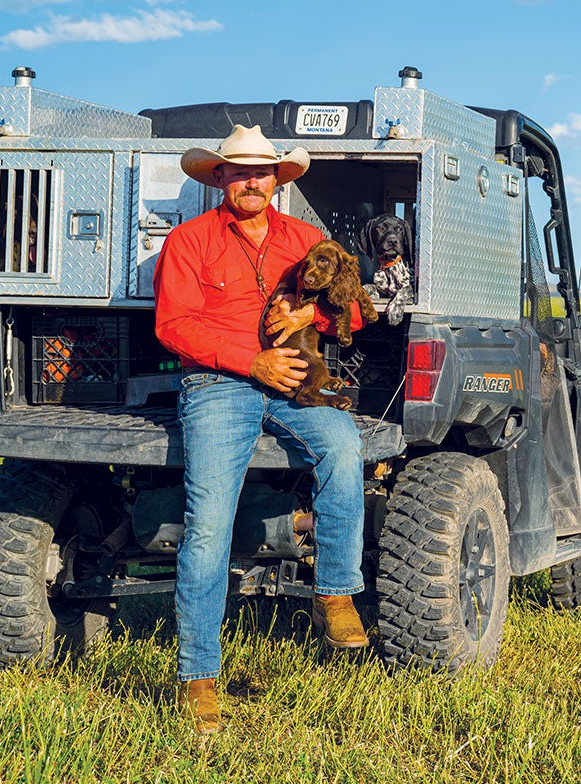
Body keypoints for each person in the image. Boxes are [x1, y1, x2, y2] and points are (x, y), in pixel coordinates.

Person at [153, 124, 368, 735]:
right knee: (209, 523)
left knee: (344, 445)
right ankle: (198, 677)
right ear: (218, 177)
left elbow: (353, 304)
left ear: (279, 180)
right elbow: (174, 326)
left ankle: (335, 592)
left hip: (296, 377)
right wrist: (252, 362)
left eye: (262, 172)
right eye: (238, 171)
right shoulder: (189, 241)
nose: (251, 181)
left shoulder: (306, 239)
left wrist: (314, 314)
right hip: (219, 384)